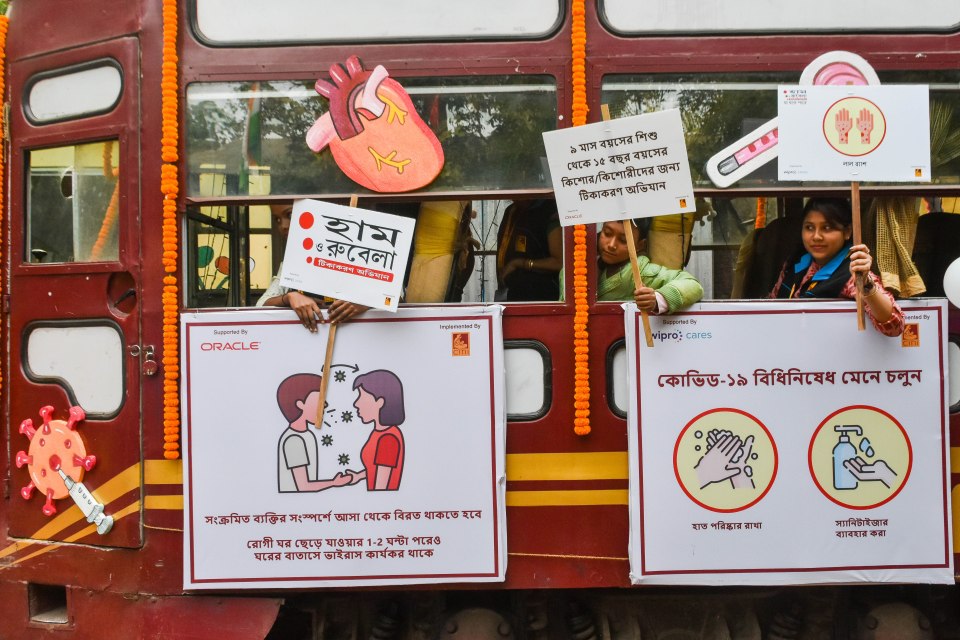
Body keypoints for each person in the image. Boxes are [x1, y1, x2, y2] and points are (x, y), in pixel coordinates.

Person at [770, 198, 904, 337]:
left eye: (826, 228)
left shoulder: (853, 273)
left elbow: (895, 326)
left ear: (847, 232)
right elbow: (771, 305)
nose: (816, 236)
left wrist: (866, 285)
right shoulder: (794, 263)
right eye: (809, 227)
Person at [256, 202, 369, 332]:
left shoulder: (360, 254)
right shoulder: (293, 261)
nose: (283, 226)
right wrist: (289, 297)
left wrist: (366, 302)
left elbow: (394, 298)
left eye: (290, 215)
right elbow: (261, 304)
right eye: (277, 219)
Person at [597, 219, 704, 313]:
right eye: (607, 233)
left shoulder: (643, 273)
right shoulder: (590, 260)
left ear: (640, 245)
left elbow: (694, 285)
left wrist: (659, 299)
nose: (611, 245)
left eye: (623, 240)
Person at [275, 373, 352, 492]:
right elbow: (303, 487)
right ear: (300, 404)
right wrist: (334, 483)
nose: (324, 405)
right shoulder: (294, 440)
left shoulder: (306, 435)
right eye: (319, 399)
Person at [343, 369, 405, 491]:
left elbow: (381, 488)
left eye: (361, 396)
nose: (356, 403)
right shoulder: (379, 433)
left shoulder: (388, 439)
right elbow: (377, 468)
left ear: (379, 402)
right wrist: (358, 476)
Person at [496, 199, 564, 301]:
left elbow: (559, 262)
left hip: (542, 295)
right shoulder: (511, 211)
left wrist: (520, 263)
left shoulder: (550, 212)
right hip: (514, 292)